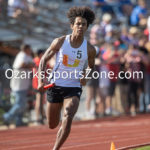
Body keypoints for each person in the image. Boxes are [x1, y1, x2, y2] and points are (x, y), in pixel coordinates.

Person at [38, 6, 96, 150]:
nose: (80, 26)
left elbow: (91, 66)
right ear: (72, 25)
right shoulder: (60, 41)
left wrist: (86, 76)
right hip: (55, 85)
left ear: (87, 27)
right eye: (78, 23)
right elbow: (44, 60)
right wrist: (40, 80)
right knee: (52, 124)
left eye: (83, 24)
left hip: (73, 87)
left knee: (69, 113)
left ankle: (55, 149)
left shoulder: (89, 49)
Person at [3, 44, 34, 126]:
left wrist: (30, 65)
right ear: (26, 49)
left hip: (23, 84)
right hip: (18, 85)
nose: (30, 50)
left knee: (22, 104)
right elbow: (22, 65)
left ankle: (18, 121)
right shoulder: (22, 55)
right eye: (29, 49)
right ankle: (7, 117)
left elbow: (32, 64)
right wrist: (30, 65)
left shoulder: (27, 56)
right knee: (19, 104)